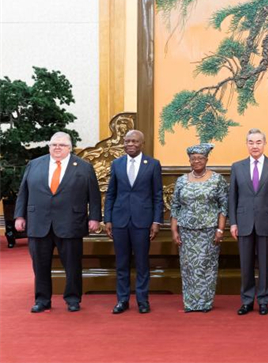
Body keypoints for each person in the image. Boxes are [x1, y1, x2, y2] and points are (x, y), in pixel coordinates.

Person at [14, 131, 101, 313]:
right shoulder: (35, 164)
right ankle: (42, 299)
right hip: (39, 223)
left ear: (70, 148)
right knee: (40, 264)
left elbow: (93, 195)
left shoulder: (84, 167)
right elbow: (24, 192)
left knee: (72, 265)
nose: (57, 148)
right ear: (49, 147)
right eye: (54, 145)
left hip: (71, 222)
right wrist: (19, 216)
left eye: (62, 145)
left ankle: (73, 299)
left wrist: (94, 217)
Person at [104, 130, 164, 314]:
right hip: (120, 220)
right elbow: (111, 193)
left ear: (142, 143)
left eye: (134, 141)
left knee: (142, 263)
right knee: (121, 263)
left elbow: (157, 195)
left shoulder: (152, 164)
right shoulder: (117, 164)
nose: (130, 144)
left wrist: (156, 221)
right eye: (127, 141)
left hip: (142, 221)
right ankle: (122, 300)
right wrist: (107, 219)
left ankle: (142, 300)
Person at [229, 128, 268, 315]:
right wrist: (233, 223)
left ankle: (263, 300)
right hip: (243, 221)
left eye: (258, 142)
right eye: (251, 142)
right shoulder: (237, 167)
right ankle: (246, 300)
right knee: (245, 264)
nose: (255, 146)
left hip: (266, 221)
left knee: (264, 263)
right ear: (247, 144)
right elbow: (233, 198)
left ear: (264, 144)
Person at [170, 143, 227, 312]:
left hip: (209, 231)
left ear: (206, 159)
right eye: (193, 158)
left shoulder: (217, 180)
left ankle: (204, 303)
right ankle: (191, 303)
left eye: (200, 158)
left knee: (206, 267)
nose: (197, 161)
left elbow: (223, 206)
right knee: (188, 268)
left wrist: (220, 229)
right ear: (189, 160)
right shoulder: (181, 180)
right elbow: (175, 207)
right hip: (186, 231)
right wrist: (174, 230)